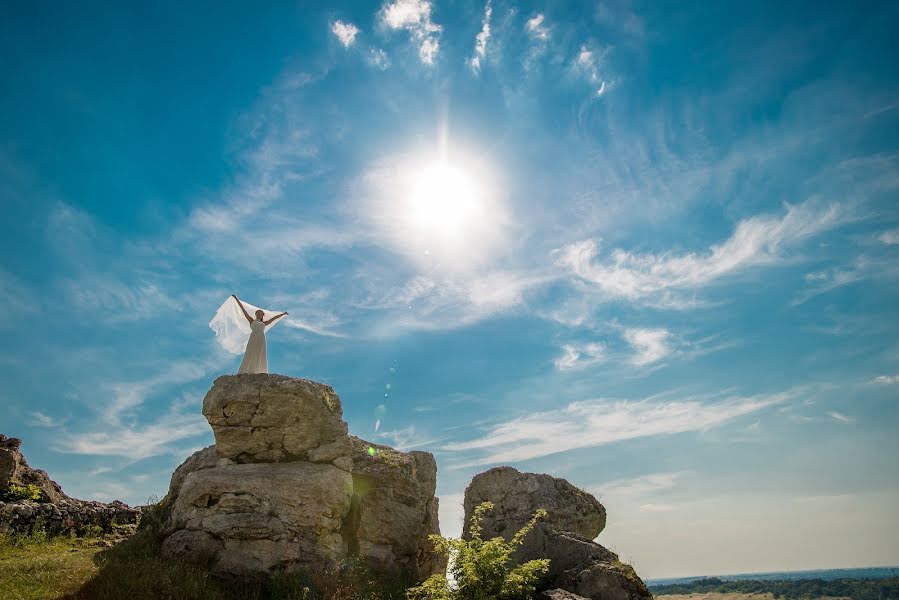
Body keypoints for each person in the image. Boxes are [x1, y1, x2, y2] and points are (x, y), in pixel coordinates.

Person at [231, 294, 288, 374]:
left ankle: (258, 371)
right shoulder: (251, 320)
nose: (259, 314)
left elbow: (274, 318)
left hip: (261, 337)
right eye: (258, 312)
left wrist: (282, 314)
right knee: (250, 352)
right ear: (256, 314)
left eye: (261, 313)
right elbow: (243, 310)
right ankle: (246, 371)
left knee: (260, 352)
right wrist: (236, 299)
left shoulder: (264, 323)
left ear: (262, 315)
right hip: (253, 337)